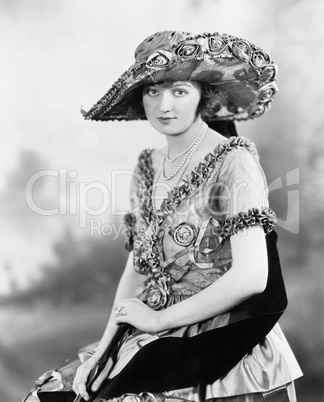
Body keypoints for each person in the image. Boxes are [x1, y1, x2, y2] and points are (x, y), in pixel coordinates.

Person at [24, 31, 302, 402]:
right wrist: (106, 348)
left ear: (205, 93)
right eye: (153, 91)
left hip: (221, 339)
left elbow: (252, 277)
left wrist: (158, 321)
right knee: (50, 394)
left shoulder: (235, 161)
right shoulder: (147, 166)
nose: (164, 105)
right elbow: (136, 269)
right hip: (149, 329)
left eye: (179, 91)